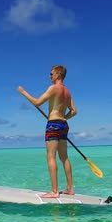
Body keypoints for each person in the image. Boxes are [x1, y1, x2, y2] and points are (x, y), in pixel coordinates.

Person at [17, 65, 77, 198]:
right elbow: (74, 111)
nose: (50, 76)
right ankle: (70, 189)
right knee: (64, 157)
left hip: (53, 125)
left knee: (51, 156)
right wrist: (63, 118)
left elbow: (37, 102)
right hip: (63, 125)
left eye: (51, 74)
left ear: (58, 74)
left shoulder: (53, 88)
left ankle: (54, 191)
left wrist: (23, 92)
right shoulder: (67, 92)